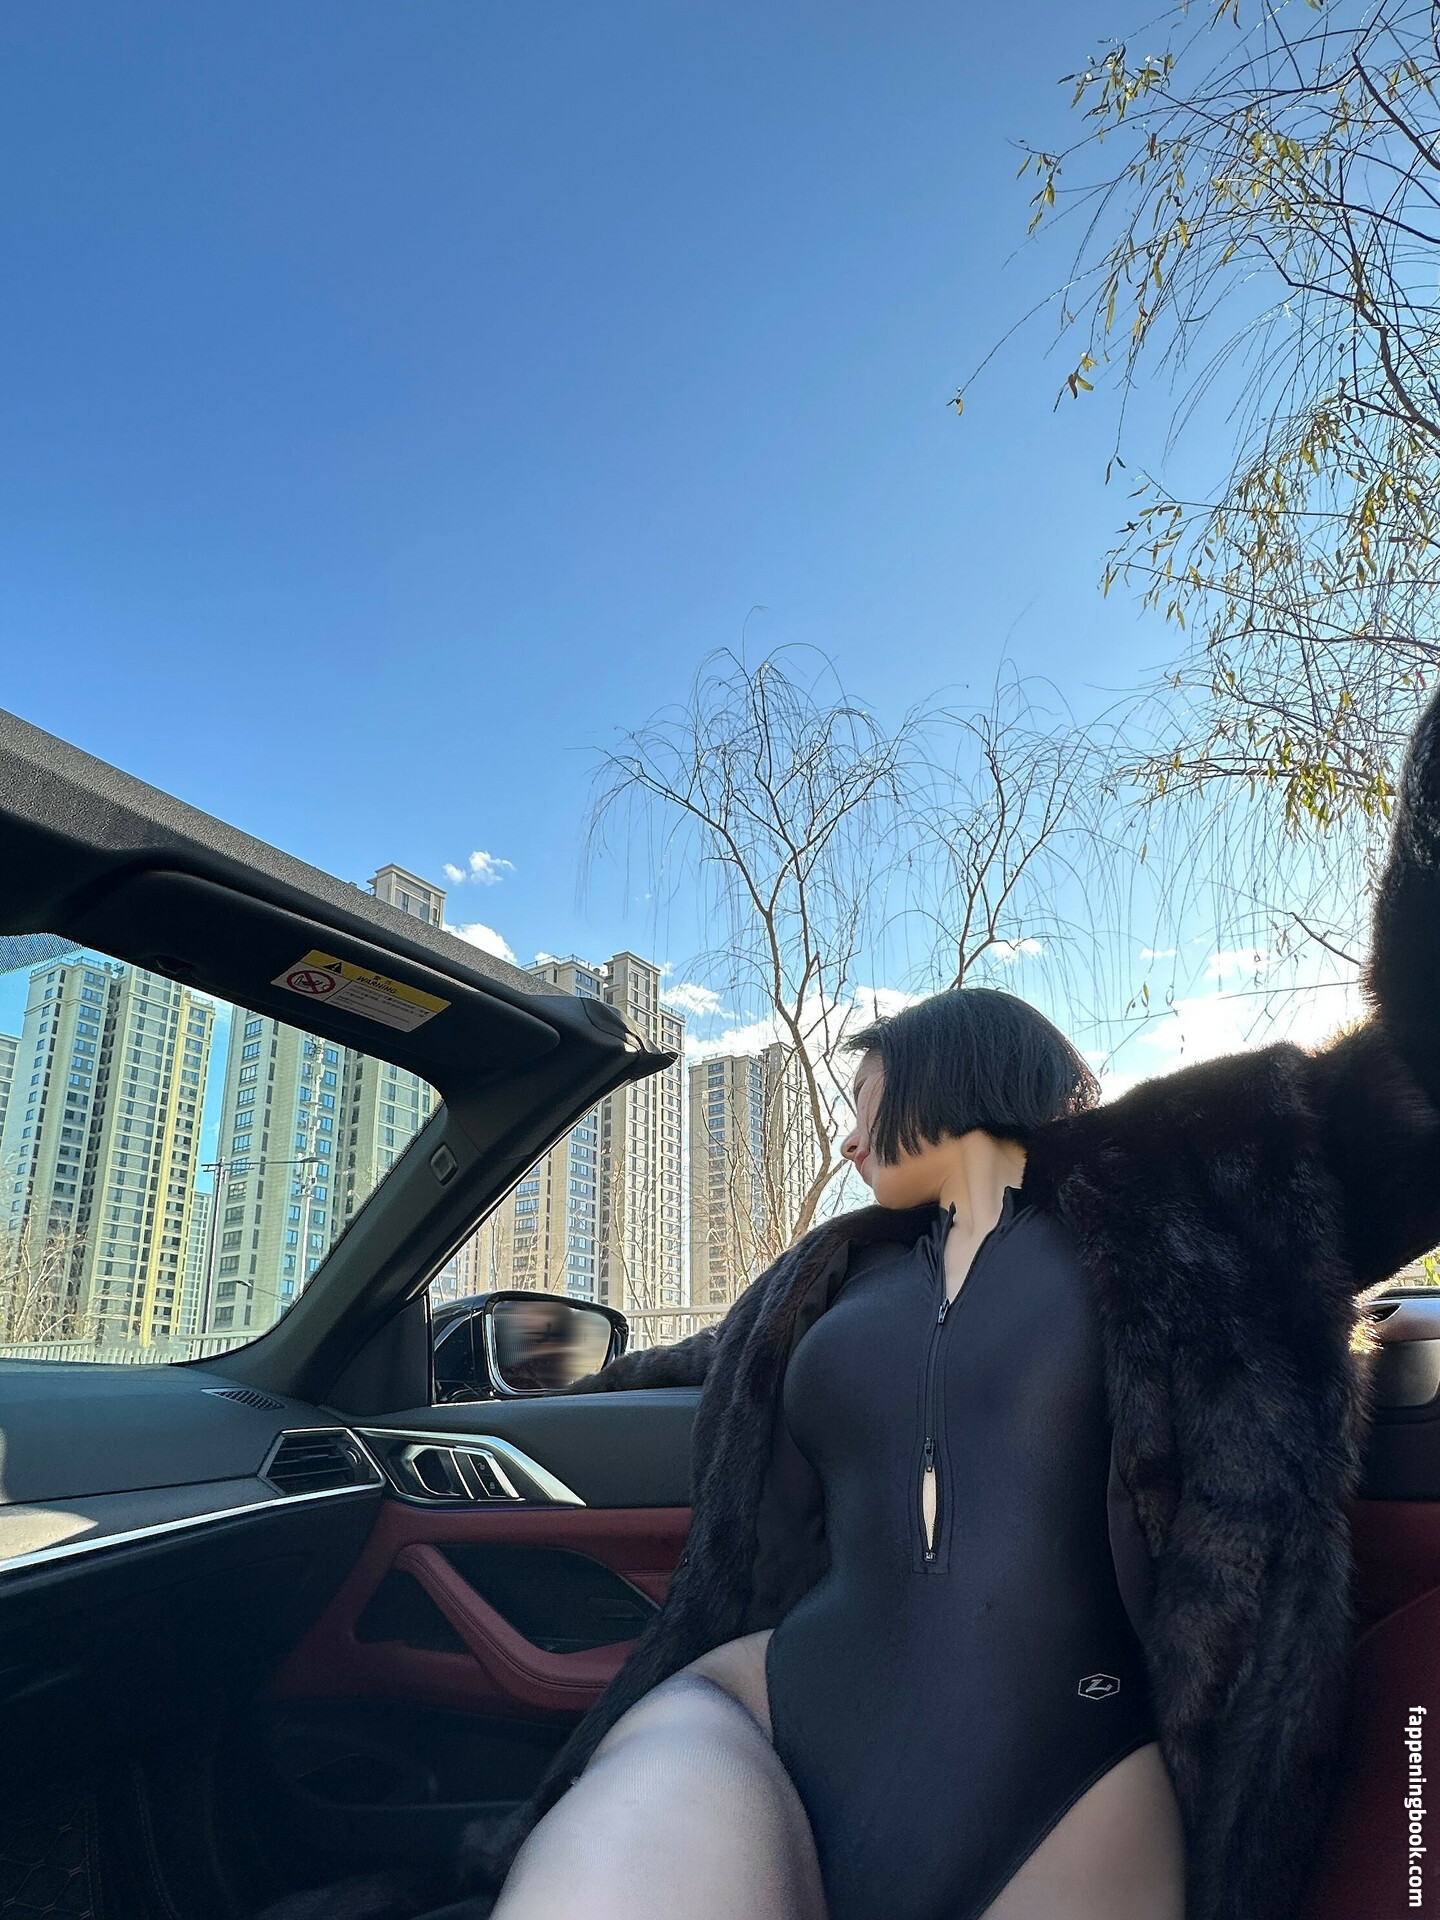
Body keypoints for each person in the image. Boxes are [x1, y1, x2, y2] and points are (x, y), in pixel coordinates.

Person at [473, 682, 1440, 1920]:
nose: (846, 1135)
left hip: (1070, 1781)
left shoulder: (1191, 1180)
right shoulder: (827, 1269)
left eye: (865, 1097)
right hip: (757, 1721)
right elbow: (679, 1365)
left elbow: (1420, 1073)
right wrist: (532, 1376)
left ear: (952, 1076)